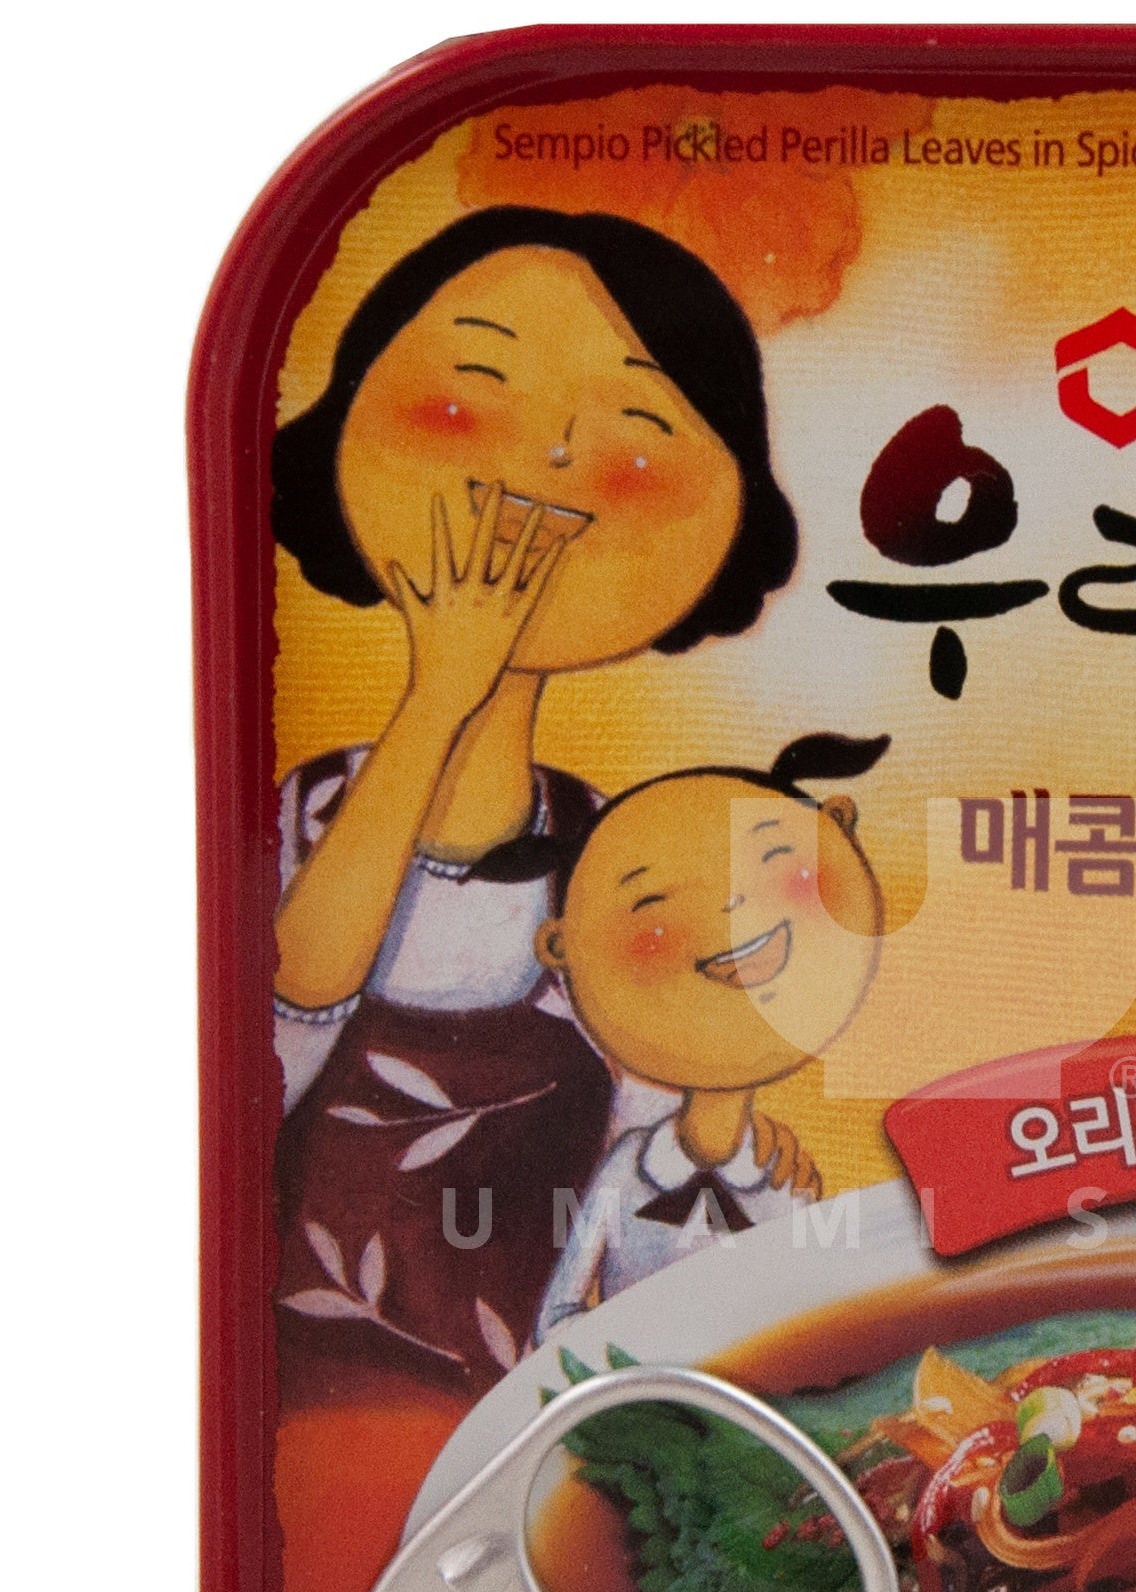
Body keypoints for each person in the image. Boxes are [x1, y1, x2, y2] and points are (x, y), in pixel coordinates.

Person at [268, 206, 804, 1407]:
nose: (545, 470)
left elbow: (644, 1218)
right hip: (290, 1399)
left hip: (517, 1430)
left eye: (635, 445)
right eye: (462, 408)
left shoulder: (623, 858)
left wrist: (719, 1144)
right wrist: (440, 692)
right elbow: (258, 1057)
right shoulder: (301, 816)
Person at [533, 734, 888, 1343]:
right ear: (563, 946)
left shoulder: (784, 1179)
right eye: (652, 905)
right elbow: (557, 1317)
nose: (731, 908)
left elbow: (812, 1317)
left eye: (775, 865)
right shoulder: (628, 1171)